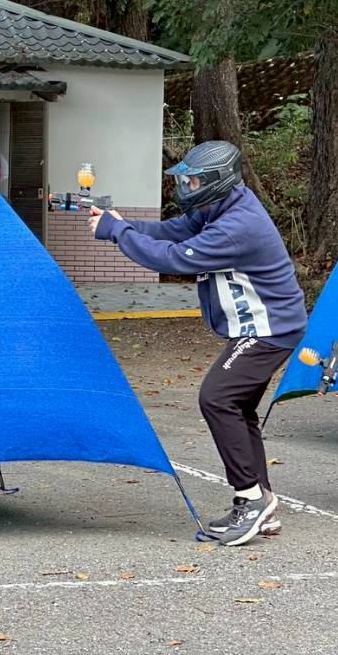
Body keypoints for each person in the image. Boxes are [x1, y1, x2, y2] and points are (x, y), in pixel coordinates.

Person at [88, 140, 307, 546]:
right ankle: (261, 501)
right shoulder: (219, 206)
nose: (185, 187)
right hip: (265, 328)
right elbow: (172, 231)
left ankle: (251, 499)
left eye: (192, 181)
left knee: (217, 398)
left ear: (217, 181)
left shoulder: (238, 225)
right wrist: (120, 224)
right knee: (238, 407)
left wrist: (118, 232)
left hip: (269, 330)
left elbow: (173, 258)